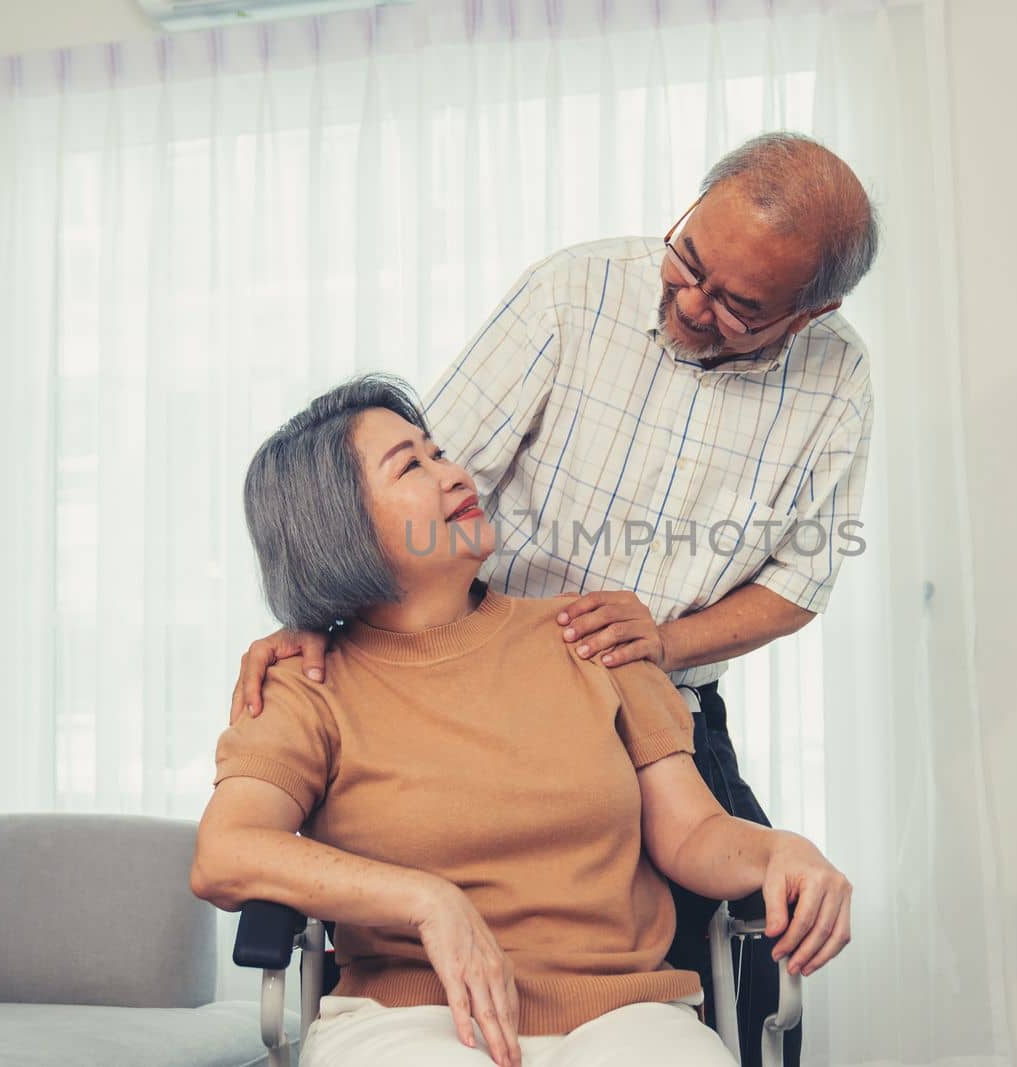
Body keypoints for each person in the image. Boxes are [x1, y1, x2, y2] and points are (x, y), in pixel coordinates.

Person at [229, 131, 878, 1066]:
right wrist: (310, 613)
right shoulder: (575, 295)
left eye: (738, 306)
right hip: (444, 676)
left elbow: (797, 584)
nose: (692, 303)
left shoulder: (839, 380)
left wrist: (657, 640)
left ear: (814, 310)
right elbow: (395, 486)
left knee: (755, 979)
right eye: (687, 261)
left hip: (645, 693)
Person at [193, 376, 853, 1067]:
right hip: (407, 1019)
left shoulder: (590, 637)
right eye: (411, 465)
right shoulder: (309, 683)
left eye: (438, 452)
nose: (453, 474)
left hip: (625, 1014)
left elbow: (692, 831)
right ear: (339, 526)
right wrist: (426, 900)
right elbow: (226, 852)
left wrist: (781, 849)